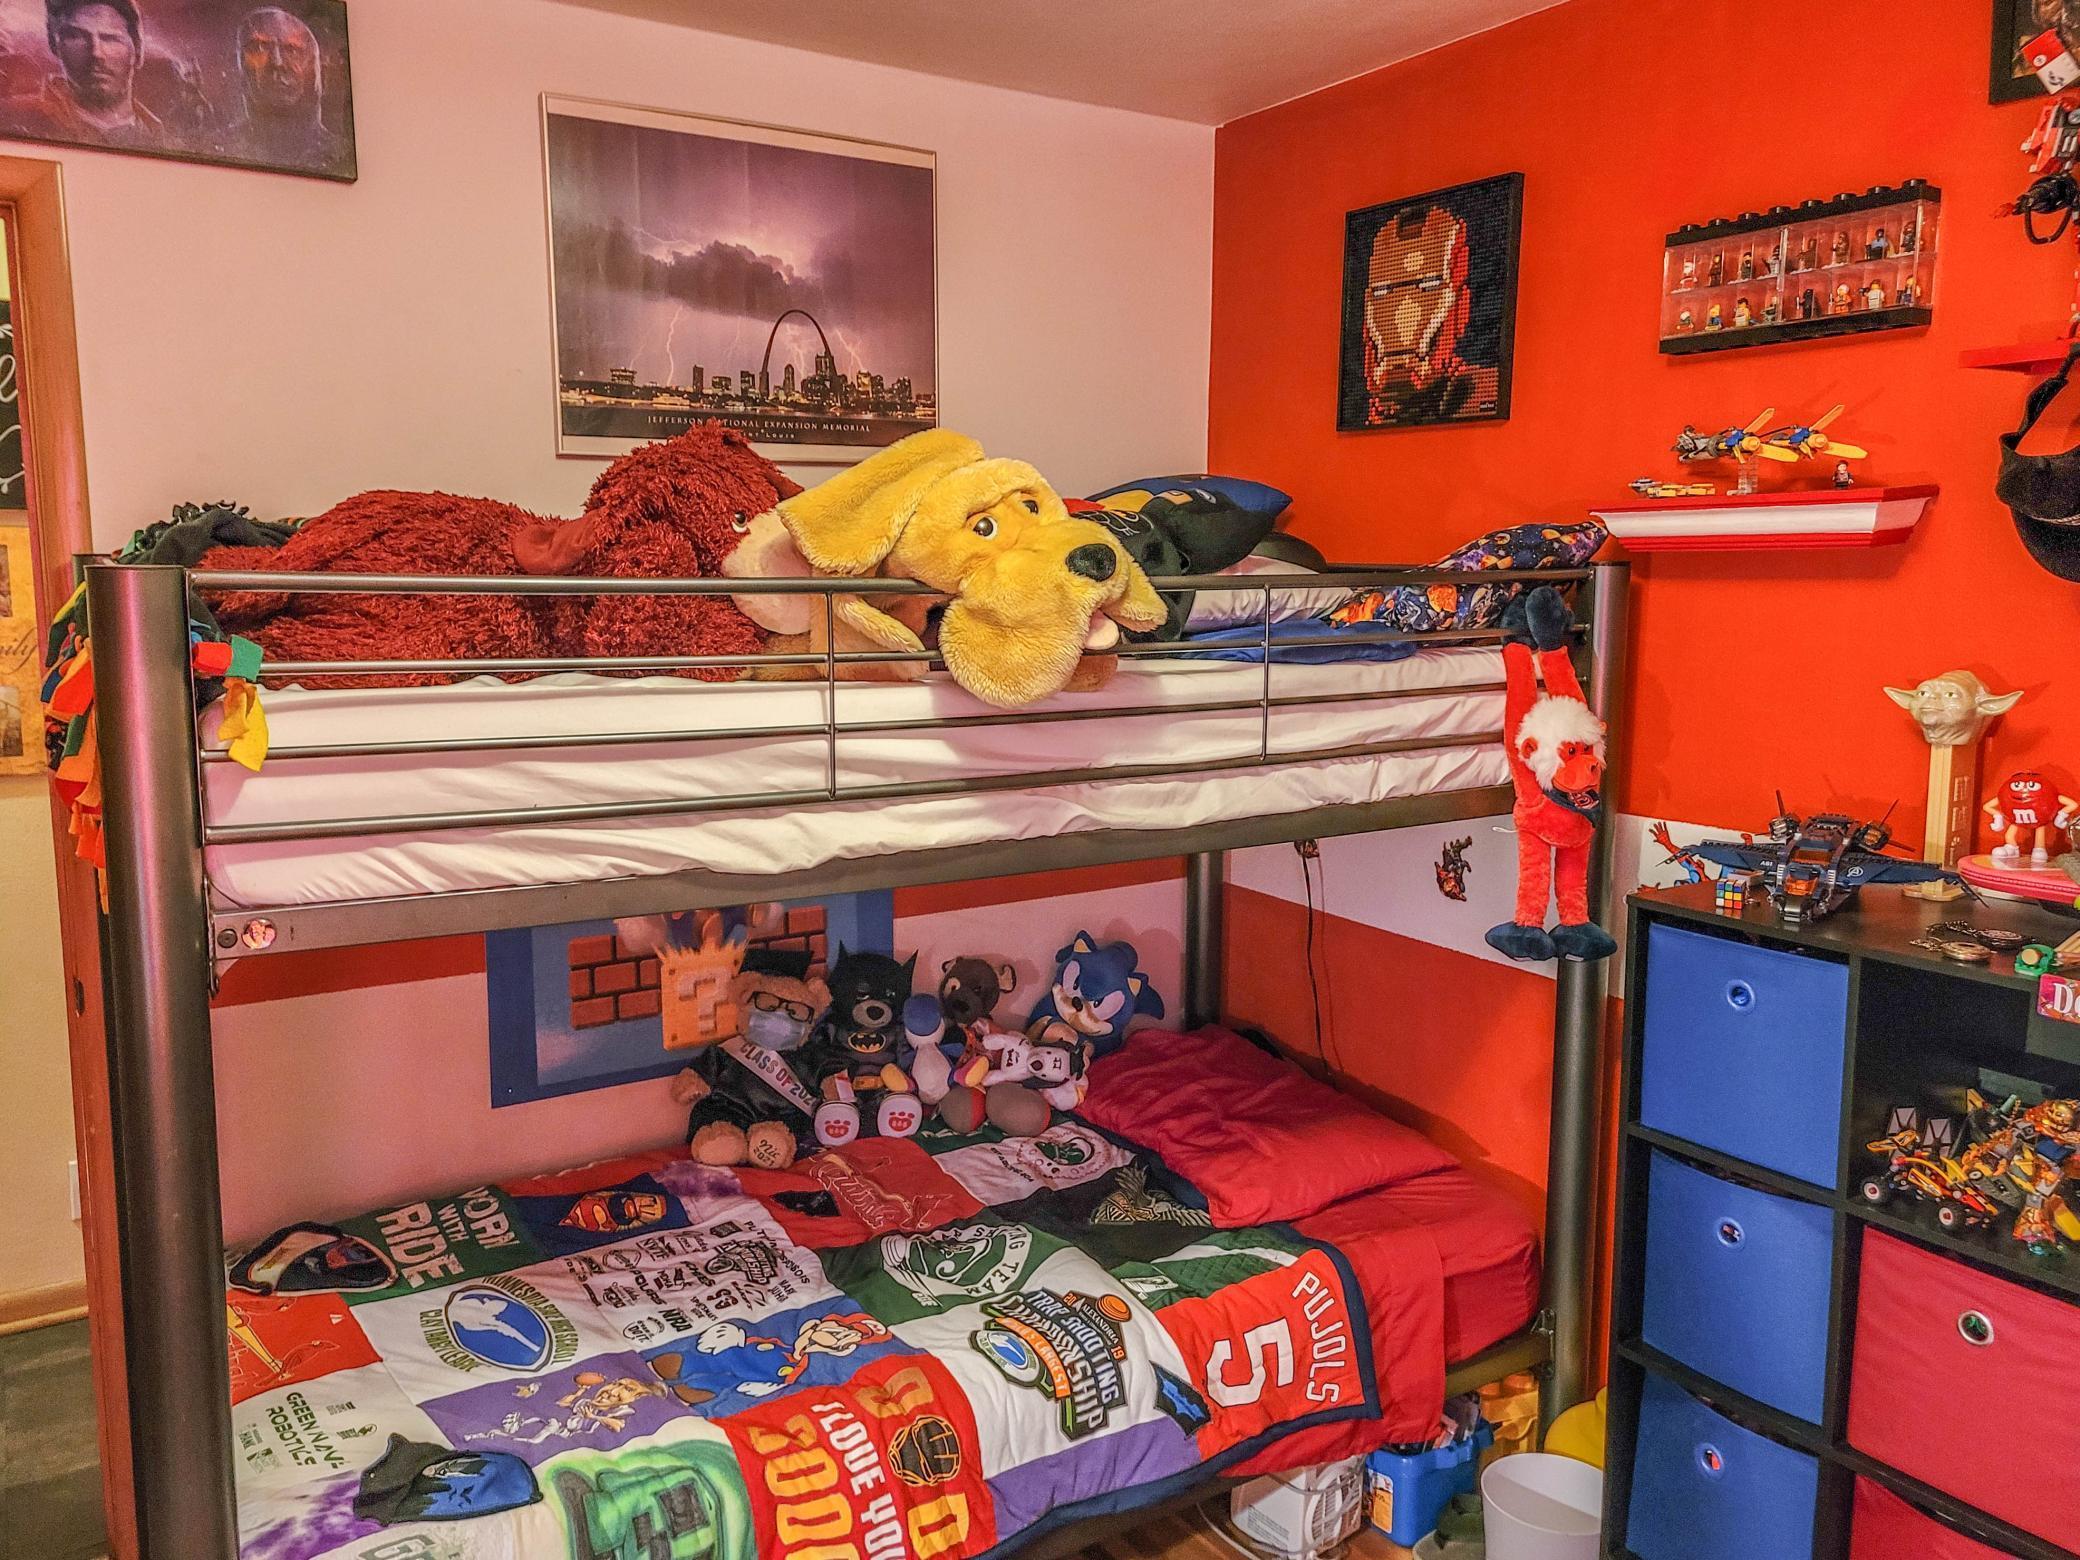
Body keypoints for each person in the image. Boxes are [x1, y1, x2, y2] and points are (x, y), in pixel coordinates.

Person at [5, 0, 165, 149]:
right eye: (77, 37)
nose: (96, 53)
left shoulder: (157, 133)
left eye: (110, 39)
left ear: (138, 49)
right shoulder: (15, 115)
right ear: (54, 44)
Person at [221, 6, 345, 171]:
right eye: (259, 47)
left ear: (320, 73)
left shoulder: (341, 156)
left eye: (292, 50)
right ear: (237, 64)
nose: (277, 62)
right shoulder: (214, 146)